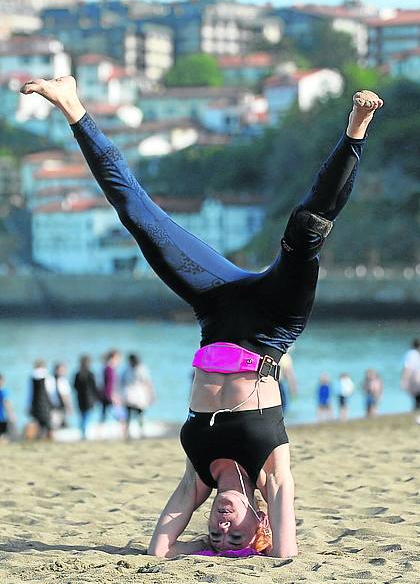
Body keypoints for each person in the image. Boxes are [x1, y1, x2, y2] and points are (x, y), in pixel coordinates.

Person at [20, 77, 382, 558]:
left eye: (215, 534)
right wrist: (258, 547)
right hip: (273, 325)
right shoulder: (271, 473)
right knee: (306, 229)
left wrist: (197, 549)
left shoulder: (197, 476)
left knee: (138, 216)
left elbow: (159, 551)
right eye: (237, 535)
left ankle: (72, 105)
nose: (223, 528)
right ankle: (355, 132)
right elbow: (285, 555)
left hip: (216, 307)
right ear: (261, 521)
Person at [121, 353, 155, 439]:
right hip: (138, 397)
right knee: (139, 416)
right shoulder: (142, 369)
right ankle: (140, 432)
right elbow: (148, 383)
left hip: (129, 396)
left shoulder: (127, 369)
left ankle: (128, 433)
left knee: (129, 416)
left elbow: (121, 383)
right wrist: (152, 395)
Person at [74, 354, 99, 439]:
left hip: (80, 399)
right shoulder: (90, 374)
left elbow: (75, 387)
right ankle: (84, 432)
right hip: (89, 400)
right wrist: (96, 398)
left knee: (82, 416)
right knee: (87, 416)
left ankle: (83, 432)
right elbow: (94, 388)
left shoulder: (78, 374)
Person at [28, 359, 54, 439]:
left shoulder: (32, 377)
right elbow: (51, 392)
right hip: (46, 405)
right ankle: (47, 439)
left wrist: (29, 406)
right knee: (48, 426)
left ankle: (40, 438)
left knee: (40, 425)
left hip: (35, 405)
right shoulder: (47, 376)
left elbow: (29, 394)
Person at [401, 338, 420, 410]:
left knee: (417, 399)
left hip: (416, 378)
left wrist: (404, 380)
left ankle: (419, 411)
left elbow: (408, 368)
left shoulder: (411, 353)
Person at [48, 362, 73, 430]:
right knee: (54, 425)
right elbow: (63, 395)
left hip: (62, 407)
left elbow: (67, 396)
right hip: (54, 407)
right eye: (61, 370)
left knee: (63, 424)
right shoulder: (50, 380)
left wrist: (69, 407)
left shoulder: (63, 380)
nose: (63, 372)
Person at [100, 349, 121, 422]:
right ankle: (124, 432)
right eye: (117, 358)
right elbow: (109, 384)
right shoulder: (109, 369)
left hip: (104, 395)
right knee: (121, 417)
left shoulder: (105, 368)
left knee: (103, 416)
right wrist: (113, 396)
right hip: (109, 396)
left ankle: (100, 431)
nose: (118, 361)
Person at [0, 374, 15, 441]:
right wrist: (11, 415)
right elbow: (7, 404)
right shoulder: (4, 391)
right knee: (3, 436)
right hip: (2, 418)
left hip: (2, 417)